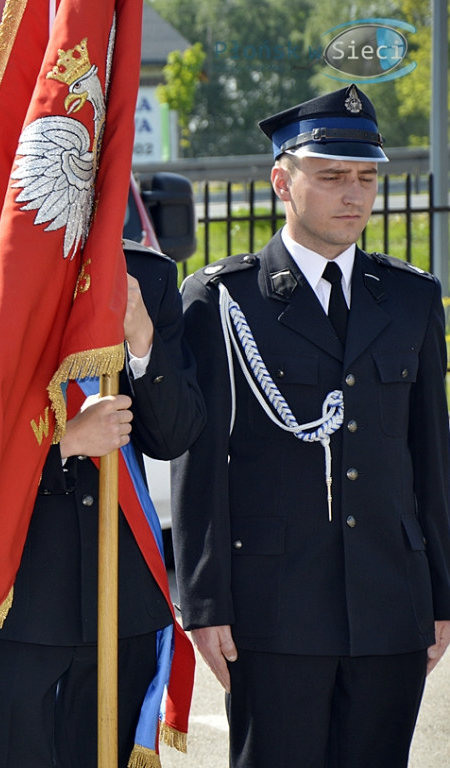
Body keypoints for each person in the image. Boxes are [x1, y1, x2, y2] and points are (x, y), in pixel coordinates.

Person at [172, 84, 450, 768]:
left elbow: (432, 458)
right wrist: (204, 602)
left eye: (365, 177)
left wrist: (440, 596)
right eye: (330, 177)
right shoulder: (222, 300)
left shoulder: (412, 298)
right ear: (281, 182)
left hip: (391, 598)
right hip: (273, 606)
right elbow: (200, 462)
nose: (353, 195)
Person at [0, 241, 205, 767]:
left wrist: (140, 335)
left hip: (120, 592)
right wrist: (65, 439)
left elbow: (174, 434)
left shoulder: (144, 275)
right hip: (11, 597)